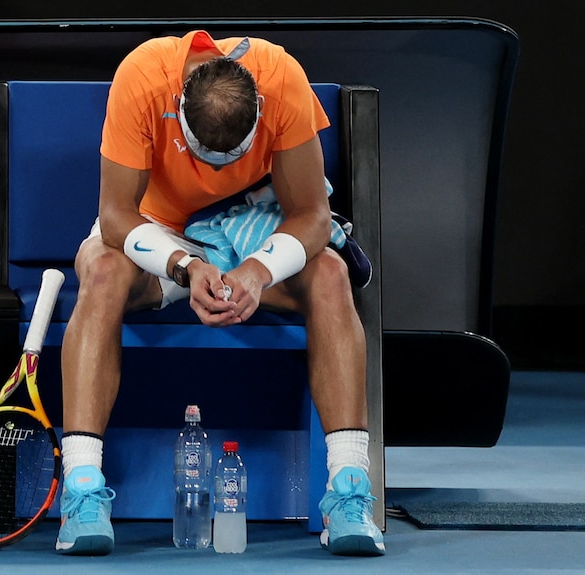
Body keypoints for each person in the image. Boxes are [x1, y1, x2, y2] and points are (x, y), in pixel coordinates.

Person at [54, 30, 385, 557]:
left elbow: (312, 216)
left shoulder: (281, 78)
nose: (214, 171)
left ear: (260, 107)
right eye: (204, 156)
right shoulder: (143, 75)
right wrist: (186, 266)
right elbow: (117, 216)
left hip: (251, 231)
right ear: (179, 104)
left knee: (330, 276)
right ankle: (83, 489)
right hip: (160, 236)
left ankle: (348, 493)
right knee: (99, 272)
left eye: (229, 158)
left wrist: (256, 271)